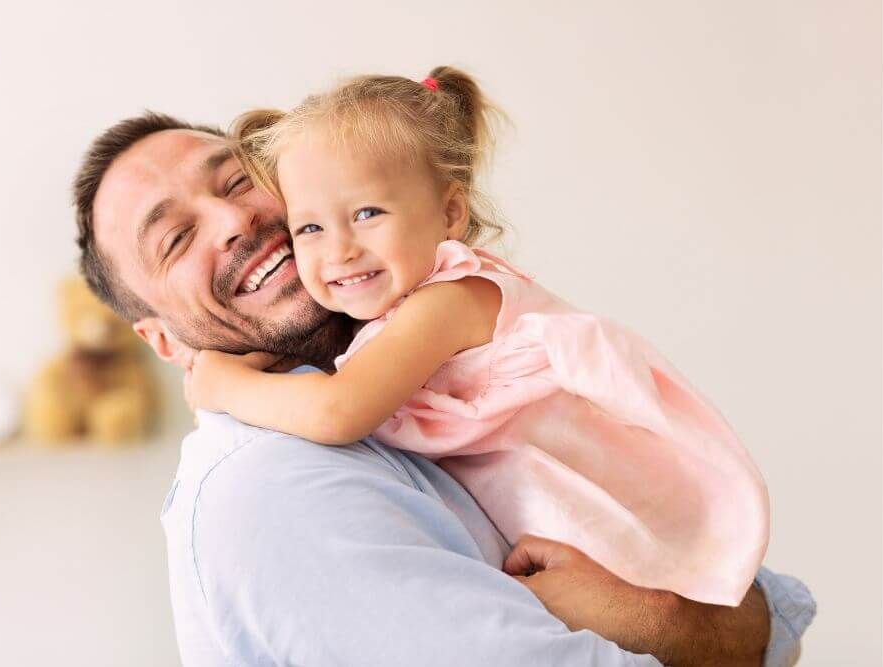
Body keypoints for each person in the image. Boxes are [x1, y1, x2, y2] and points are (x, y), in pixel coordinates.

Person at [72, 106, 815, 665]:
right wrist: (220, 382)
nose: (233, 218)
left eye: (238, 180)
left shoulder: (429, 393)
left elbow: (753, 610)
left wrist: (650, 615)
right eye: (174, 239)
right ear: (166, 343)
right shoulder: (270, 485)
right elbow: (750, 629)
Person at [185, 67, 768, 608]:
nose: (339, 249)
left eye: (367, 213)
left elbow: (339, 411)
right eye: (309, 227)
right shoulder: (405, 310)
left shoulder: (450, 299)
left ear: (450, 216)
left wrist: (221, 383)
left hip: (605, 513)